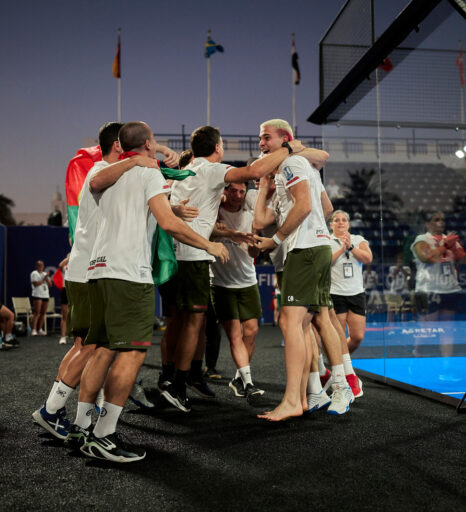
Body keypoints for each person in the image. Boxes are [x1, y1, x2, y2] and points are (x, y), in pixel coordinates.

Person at [67, 121, 228, 462]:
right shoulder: (147, 172)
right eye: (154, 141)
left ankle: (81, 427)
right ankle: (103, 435)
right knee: (133, 352)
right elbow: (168, 224)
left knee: (103, 349)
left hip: (97, 271)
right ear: (148, 145)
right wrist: (209, 244)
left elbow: (103, 188)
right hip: (128, 274)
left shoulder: (108, 172)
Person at [32, 122, 170, 441]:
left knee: (92, 346)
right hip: (89, 272)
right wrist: (142, 159)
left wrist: (158, 155)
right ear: (119, 146)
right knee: (91, 346)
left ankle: (77, 419)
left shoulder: (116, 174)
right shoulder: (100, 171)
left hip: (90, 269)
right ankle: (53, 411)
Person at [158, 125, 304, 413]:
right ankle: (177, 385)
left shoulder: (187, 171)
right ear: (218, 148)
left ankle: (173, 378)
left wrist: (230, 234)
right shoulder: (211, 169)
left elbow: (182, 211)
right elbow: (253, 171)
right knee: (192, 324)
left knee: (183, 322)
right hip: (193, 257)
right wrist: (288, 149)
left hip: (174, 256)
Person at [255, 119, 353, 421]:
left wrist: (276, 239)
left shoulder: (292, 163)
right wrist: (265, 186)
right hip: (314, 248)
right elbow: (324, 208)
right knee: (313, 320)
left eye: (266, 138)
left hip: (305, 250)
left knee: (292, 322)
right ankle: (319, 391)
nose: (261, 144)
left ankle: (300, 398)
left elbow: (305, 207)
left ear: (285, 139)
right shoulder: (298, 167)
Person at [211, 182, 266, 401]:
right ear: (225, 191)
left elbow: (254, 254)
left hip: (247, 281)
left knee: (251, 332)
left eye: (242, 191)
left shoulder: (251, 216)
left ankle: (238, 378)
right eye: (233, 190)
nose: (238, 195)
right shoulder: (215, 212)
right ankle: (249, 383)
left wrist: (253, 244)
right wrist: (231, 234)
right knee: (234, 335)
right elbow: (207, 232)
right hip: (221, 284)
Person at [411, 211, 466, 377]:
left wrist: (456, 247)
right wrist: (445, 245)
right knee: (427, 329)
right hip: (428, 290)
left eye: (442, 220)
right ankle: (416, 356)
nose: (441, 222)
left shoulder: (450, 239)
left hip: (450, 289)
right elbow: (427, 258)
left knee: (447, 329)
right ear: (427, 224)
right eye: (436, 220)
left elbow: (465, 260)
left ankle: (446, 367)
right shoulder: (421, 239)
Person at [328, 210, 372, 354]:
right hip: (335, 293)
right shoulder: (326, 241)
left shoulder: (358, 239)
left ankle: (337, 360)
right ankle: (342, 365)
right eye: (337, 220)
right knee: (338, 337)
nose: (340, 222)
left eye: (344, 220)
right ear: (331, 225)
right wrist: (342, 249)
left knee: (357, 337)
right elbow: (324, 263)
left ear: (348, 224)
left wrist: (351, 247)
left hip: (356, 293)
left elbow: (367, 258)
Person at [30, 260, 51, 336]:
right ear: (36, 266)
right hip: (37, 295)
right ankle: (34, 329)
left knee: (43, 313)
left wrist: (47, 278)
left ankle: (40, 329)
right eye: (39, 265)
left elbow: (50, 285)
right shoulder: (34, 273)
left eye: (42, 265)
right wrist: (44, 279)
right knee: (36, 313)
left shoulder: (45, 274)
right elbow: (35, 284)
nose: (41, 267)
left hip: (45, 295)